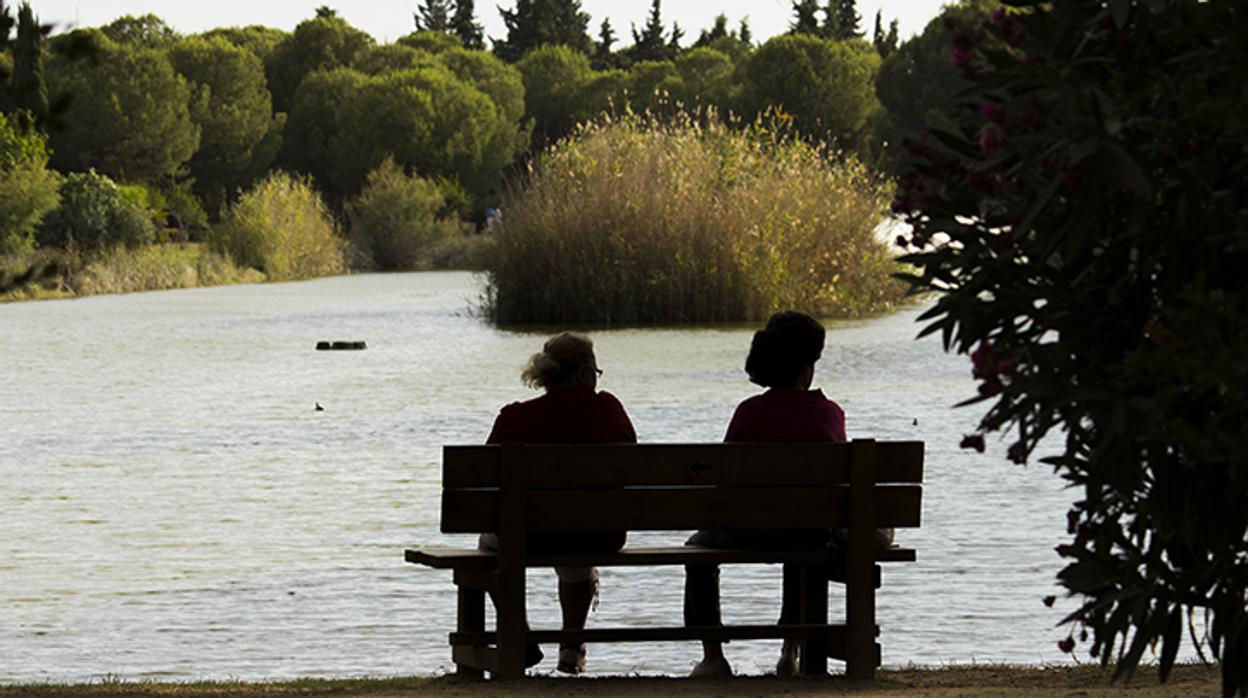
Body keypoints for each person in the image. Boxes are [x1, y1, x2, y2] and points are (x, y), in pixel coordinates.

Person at [683, 311, 891, 678]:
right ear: (805, 367)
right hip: (809, 531)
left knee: (697, 549)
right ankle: (790, 652)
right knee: (805, 537)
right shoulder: (829, 413)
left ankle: (713, 655)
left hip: (745, 532)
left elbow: (726, 485)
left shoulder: (748, 413)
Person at [480, 332, 636, 674]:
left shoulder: (515, 417)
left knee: (489, 545)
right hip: (602, 534)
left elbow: (486, 484)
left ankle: (518, 636)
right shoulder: (609, 410)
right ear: (583, 374)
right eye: (596, 371)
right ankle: (570, 646)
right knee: (577, 546)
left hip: (528, 535)